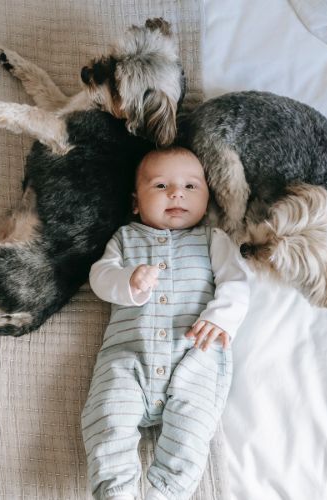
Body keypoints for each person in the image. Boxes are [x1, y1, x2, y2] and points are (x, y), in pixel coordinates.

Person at [82, 147, 252, 500]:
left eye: (191, 187)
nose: (176, 193)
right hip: (129, 359)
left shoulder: (212, 240)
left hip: (195, 357)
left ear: (208, 198)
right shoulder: (125, 239)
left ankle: (168, 493)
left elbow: (236, 283)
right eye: (160, 186)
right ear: (135, 202)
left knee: (192, 432)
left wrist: (220, 318)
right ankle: (115, 491)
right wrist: (128, 281)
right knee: (106, 419)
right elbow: (100, 277)